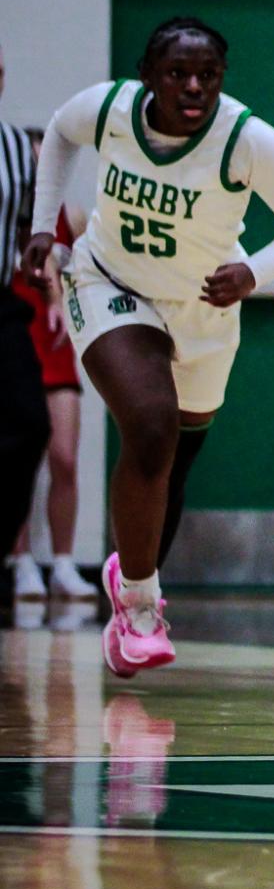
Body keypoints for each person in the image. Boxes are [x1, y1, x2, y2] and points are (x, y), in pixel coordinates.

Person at [23, 17, 274, 676]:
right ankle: (139, 604)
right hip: (108, 283)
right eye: (177, 74)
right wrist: (44, 225)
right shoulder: (108, 109)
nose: (193, 87)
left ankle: (128, 573)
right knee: (150, 424)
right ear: (147, 77)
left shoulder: (250, 140)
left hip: (202, 308)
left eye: (208, 76)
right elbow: (58, 132)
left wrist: (256, 271)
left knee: (175, 461)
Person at [8, 199, 90, 603]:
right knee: (15, 459)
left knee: (65, 458)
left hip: (55, 341)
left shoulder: (71, 215)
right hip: (16, 337)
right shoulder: (9, 210)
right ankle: (19, 560)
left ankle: (63, 563)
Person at [1, 46, 50, 591]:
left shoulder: (17, 148)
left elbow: (28, 229)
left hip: (3, 300)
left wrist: (55, 297)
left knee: (31, 423)